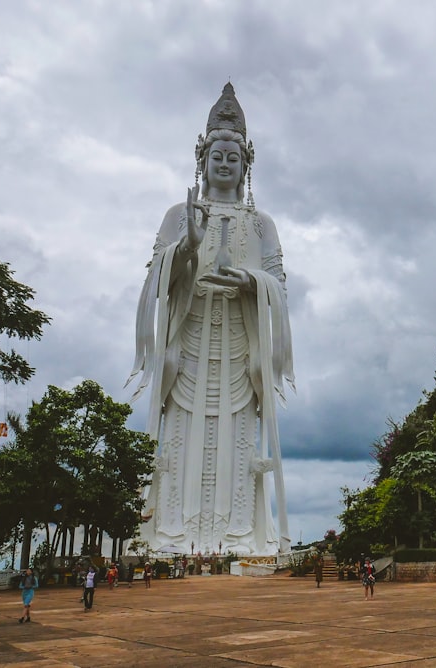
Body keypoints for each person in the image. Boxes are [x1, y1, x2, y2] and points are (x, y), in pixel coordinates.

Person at [129, 82, 295, 557]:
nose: (224, 164)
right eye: (217, 155)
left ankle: (242, 535)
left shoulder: (262, 224)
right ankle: (169, 535)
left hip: (240, 352)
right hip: (191, 347)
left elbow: (278, 286)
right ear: (201, 159)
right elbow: (156, 277)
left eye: (233, 157)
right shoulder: (177, 215)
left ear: (247, 164)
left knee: (240, 451)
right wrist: (188, 246)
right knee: (179, 449)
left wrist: (249, 281)